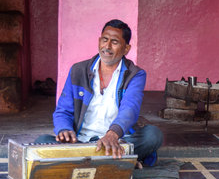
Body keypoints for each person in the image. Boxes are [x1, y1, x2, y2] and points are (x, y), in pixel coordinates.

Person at [35, 19, 163, 168]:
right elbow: (63, 110)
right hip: (81, 142)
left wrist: (112, 134)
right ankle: (116, 162)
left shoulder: (135, 74)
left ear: (126, 48)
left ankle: (86, 162)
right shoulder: (78, 70)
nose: (107, 47)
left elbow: (130, 108)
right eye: (104, 40)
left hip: (118, 140)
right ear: (99, 41)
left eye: (114, 42)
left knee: (153, 135)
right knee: (42, 141)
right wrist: (65, 129)